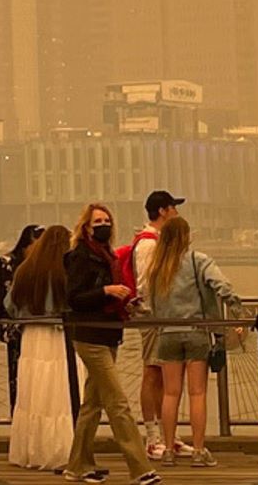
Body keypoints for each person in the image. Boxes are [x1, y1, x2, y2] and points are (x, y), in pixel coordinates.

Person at [61, 203, 160, 485]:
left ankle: (77, 466)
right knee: (118, 403)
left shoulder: (109, 256)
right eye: (98, 222)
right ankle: (140, 468)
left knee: (92, 404)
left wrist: (124, 301)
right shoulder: (80, 256)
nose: (103, 225)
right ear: (86, 227)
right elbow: (74, 298)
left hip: (109, 333)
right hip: (89, 336)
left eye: (107, 221)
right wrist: (106, 290)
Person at [141, 217, 245, 469]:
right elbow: (221, 285)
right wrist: (236, 309)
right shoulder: (198, 260)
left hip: (167, 334)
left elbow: (147, 301)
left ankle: (168, 450)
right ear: (186, 236)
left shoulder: (156, 266)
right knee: (197, 393)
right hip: (196, 332)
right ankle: (198, 450)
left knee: (170, 393)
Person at [6, 224, 75, 469]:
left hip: (32, 337)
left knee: (33, 394)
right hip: (59, 337)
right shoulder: (65, 272)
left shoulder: (25, 270)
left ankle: (31, 450)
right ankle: (62, 450)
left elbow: (10, 305)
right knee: (60, 396)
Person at [132, 191, 183, 460]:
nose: (176, 212)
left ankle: (168, 435)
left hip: (164, 315)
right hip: (152, 316)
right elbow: (144, 284)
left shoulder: (160, 241)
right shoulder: (148, 244)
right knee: (152, 372)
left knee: (164, 373)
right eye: (173, 207)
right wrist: (153, 312)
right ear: (163, 210)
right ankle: (152, 438)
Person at [0, 224, 44, 412]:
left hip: (38, 328)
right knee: (17, 373)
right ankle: (17, 411)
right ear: (26, 244)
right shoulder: (10, 264)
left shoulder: (42, 265)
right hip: (16, 328)